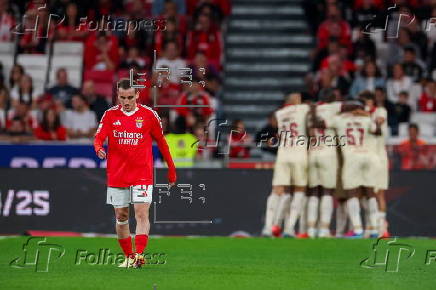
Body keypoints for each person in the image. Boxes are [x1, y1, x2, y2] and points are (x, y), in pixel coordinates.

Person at [93, 78, 176, 268]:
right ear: (117, 96)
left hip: (142, 173)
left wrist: (172, 170)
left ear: (137, 95)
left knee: (141, 213)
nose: (127, 102)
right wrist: (98, 148)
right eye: (122, 97)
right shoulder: (109, 115)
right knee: (121, 216)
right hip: (117, 173)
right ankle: (129, 256)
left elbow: (163, 144)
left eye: (130, 97)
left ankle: (138, 255)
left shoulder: (149, 115)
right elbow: (98, 137)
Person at [314, 100, 383, 237]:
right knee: (370, 193)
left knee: (352, 192)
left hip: (351, 158)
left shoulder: (339, 119)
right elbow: (378, 131)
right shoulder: (366, 119)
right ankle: (375, 229)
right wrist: (369, 117)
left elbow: (319, 124)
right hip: (367, 155)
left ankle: (358, 229)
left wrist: (320, 113)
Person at [261, 93, 309, 238]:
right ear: (296, 101)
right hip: (299, 154)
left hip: (283, 154)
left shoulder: (280, 113)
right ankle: (289, 228)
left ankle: (268, 227)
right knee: (299, 190)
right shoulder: (304, 110)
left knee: (277, 190)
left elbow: (277, 132)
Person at [306, 89, 342, 238]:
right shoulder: (335, 108)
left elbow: (309, 133)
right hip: (328, 152)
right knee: (327, 191)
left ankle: (310, 229)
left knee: (314, 191)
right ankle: (324, 229)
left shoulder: (311, 112)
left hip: (313, 151)